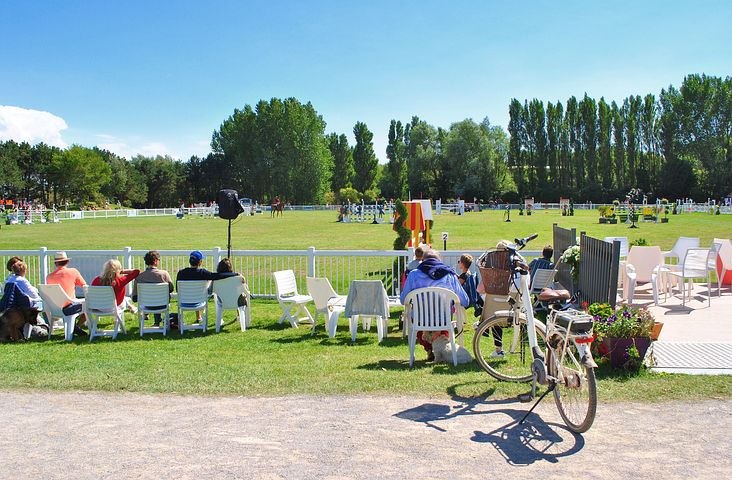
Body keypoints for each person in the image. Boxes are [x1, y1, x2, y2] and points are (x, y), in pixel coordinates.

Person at [400, 249, 469, 361]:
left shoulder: (413, 275)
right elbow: (465, 300)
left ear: (422, 260)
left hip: (420, 321)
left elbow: (403, 300)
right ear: (439, 260)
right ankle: (443, 350)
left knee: (416, 321)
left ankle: (429, 350)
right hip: (444, 320)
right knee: (446, 320)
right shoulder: (450, 275)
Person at [1, 257, 49, 338]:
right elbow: (34, 294)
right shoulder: (22, 280)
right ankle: (47, 326)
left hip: (13, 304)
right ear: (24, 270)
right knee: (45, 302)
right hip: (24, 306)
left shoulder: (9, 280)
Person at [176, 251, 227, 321]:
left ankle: (198, 317)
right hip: (199, 300)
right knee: (208, 281)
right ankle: (199, 317)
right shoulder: (202, 273)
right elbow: (216, 276)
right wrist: (234, 274)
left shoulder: (181, 273)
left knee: (195, 290)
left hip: (184, 302)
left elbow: (177, 290)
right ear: (200, 262)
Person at [46, 251, 88, 336]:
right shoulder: (73, 272)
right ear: (67, 261)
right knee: (89, 304)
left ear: (55, 263)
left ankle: (75, 327)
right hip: (69, 307)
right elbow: (84, 286)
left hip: (54, 308)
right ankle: (76, 327)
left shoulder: (49, 277)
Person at [132, 250, 174, 326]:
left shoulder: (140, 277)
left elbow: (134, 297)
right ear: (155, 261)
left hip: (146, 305)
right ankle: (157, 322)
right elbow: (171, 289)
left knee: (154, 297)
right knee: (159, 297)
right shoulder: (164, 274)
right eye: (158, 260)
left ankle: (156, 322)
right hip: (162, 304)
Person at [457, 253, 482, 317]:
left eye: (459, 261)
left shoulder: (463, 276)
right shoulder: (468, 273)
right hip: (469, 297)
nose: (458, 263)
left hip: (464, 299)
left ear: (462, 264)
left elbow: (456, 286)